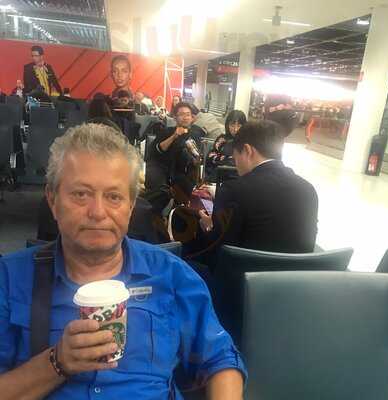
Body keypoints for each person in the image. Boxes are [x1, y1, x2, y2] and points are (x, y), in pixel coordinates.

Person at [0, 123, 245, 399]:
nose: (97, 212)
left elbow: (220, 359)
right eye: (81, 194)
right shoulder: (9, 279)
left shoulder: (171, 274)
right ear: (52, 200)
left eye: (114, 197)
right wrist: (58, 362)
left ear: (130, 207)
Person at [198, 120, 318, 255]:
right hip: (296, 268)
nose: (236, 164)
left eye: (235, 157)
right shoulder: (308, 189)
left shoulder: (233, 190)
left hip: (240, 268)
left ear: (247, 150)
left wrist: (209, 227)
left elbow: (217, 248)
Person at [145, 102, 205, 214]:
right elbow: (157, 150)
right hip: (163, 171)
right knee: (161, 192)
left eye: (188, 114)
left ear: (192, 117)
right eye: (181, 114)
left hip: (184, 174)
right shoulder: (167, 131)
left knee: (193, 194)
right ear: (175, 117)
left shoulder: (195, 135)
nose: (185, 117)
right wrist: (174, 136)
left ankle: (179, 215)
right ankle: (154, 216)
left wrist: (196, 160)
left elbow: (198, 158)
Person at [206, 110, 247, 181]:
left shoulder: (248, 142)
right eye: (232, 125)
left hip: (241, 178)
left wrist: (224, 159)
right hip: (220, 177)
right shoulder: (222, 139)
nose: (235, 129)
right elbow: (210, 157)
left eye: (239, 126)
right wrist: (228, 160)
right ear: (227, 125)